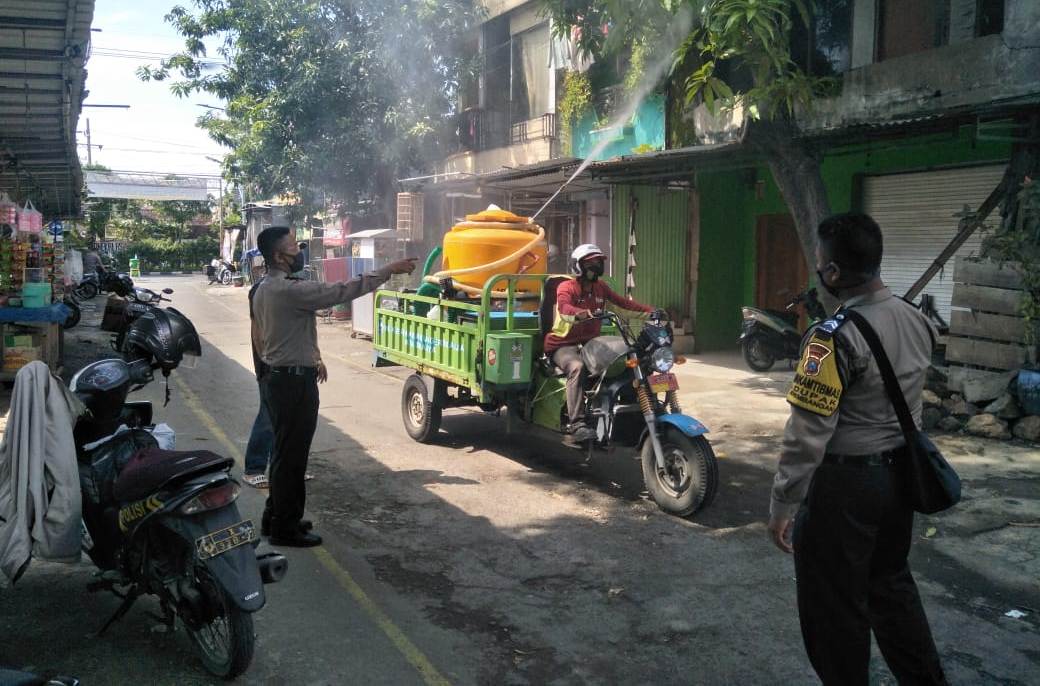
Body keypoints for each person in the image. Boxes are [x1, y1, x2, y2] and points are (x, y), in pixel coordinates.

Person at [767, 213, 947, 685]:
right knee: (891, 589)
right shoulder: (916, 319)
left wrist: (783, 503)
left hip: (844, 487)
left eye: (821, 263)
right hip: (898, 480)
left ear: (832, 273)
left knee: (835, 609)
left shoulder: (832, 338)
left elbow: (807, 433)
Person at [252, 226, 416, 546]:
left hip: (280, 377)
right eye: (293, 246)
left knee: (285, 455)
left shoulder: (263, 289)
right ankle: (285, 527)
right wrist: (386, 270)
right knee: (292, 457)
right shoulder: (288, 290)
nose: (299, 250)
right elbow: (341, 291)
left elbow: (269, 336)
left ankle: (278, 518)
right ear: (278, 256)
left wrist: (309, 358)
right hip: (292, 382)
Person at [543, 244, 655, 444]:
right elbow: (564, 306)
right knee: (577, 367)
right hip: (562, 345)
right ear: (578, 266)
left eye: (599, 262)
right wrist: (580, 313)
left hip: (589, 342)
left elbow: (623, 304)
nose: (596, 266)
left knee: (630, 357)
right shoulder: (566, 287)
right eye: (591, 263)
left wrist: (651, 312)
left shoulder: (600, 288)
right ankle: (577, 424)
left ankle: (632, 410)